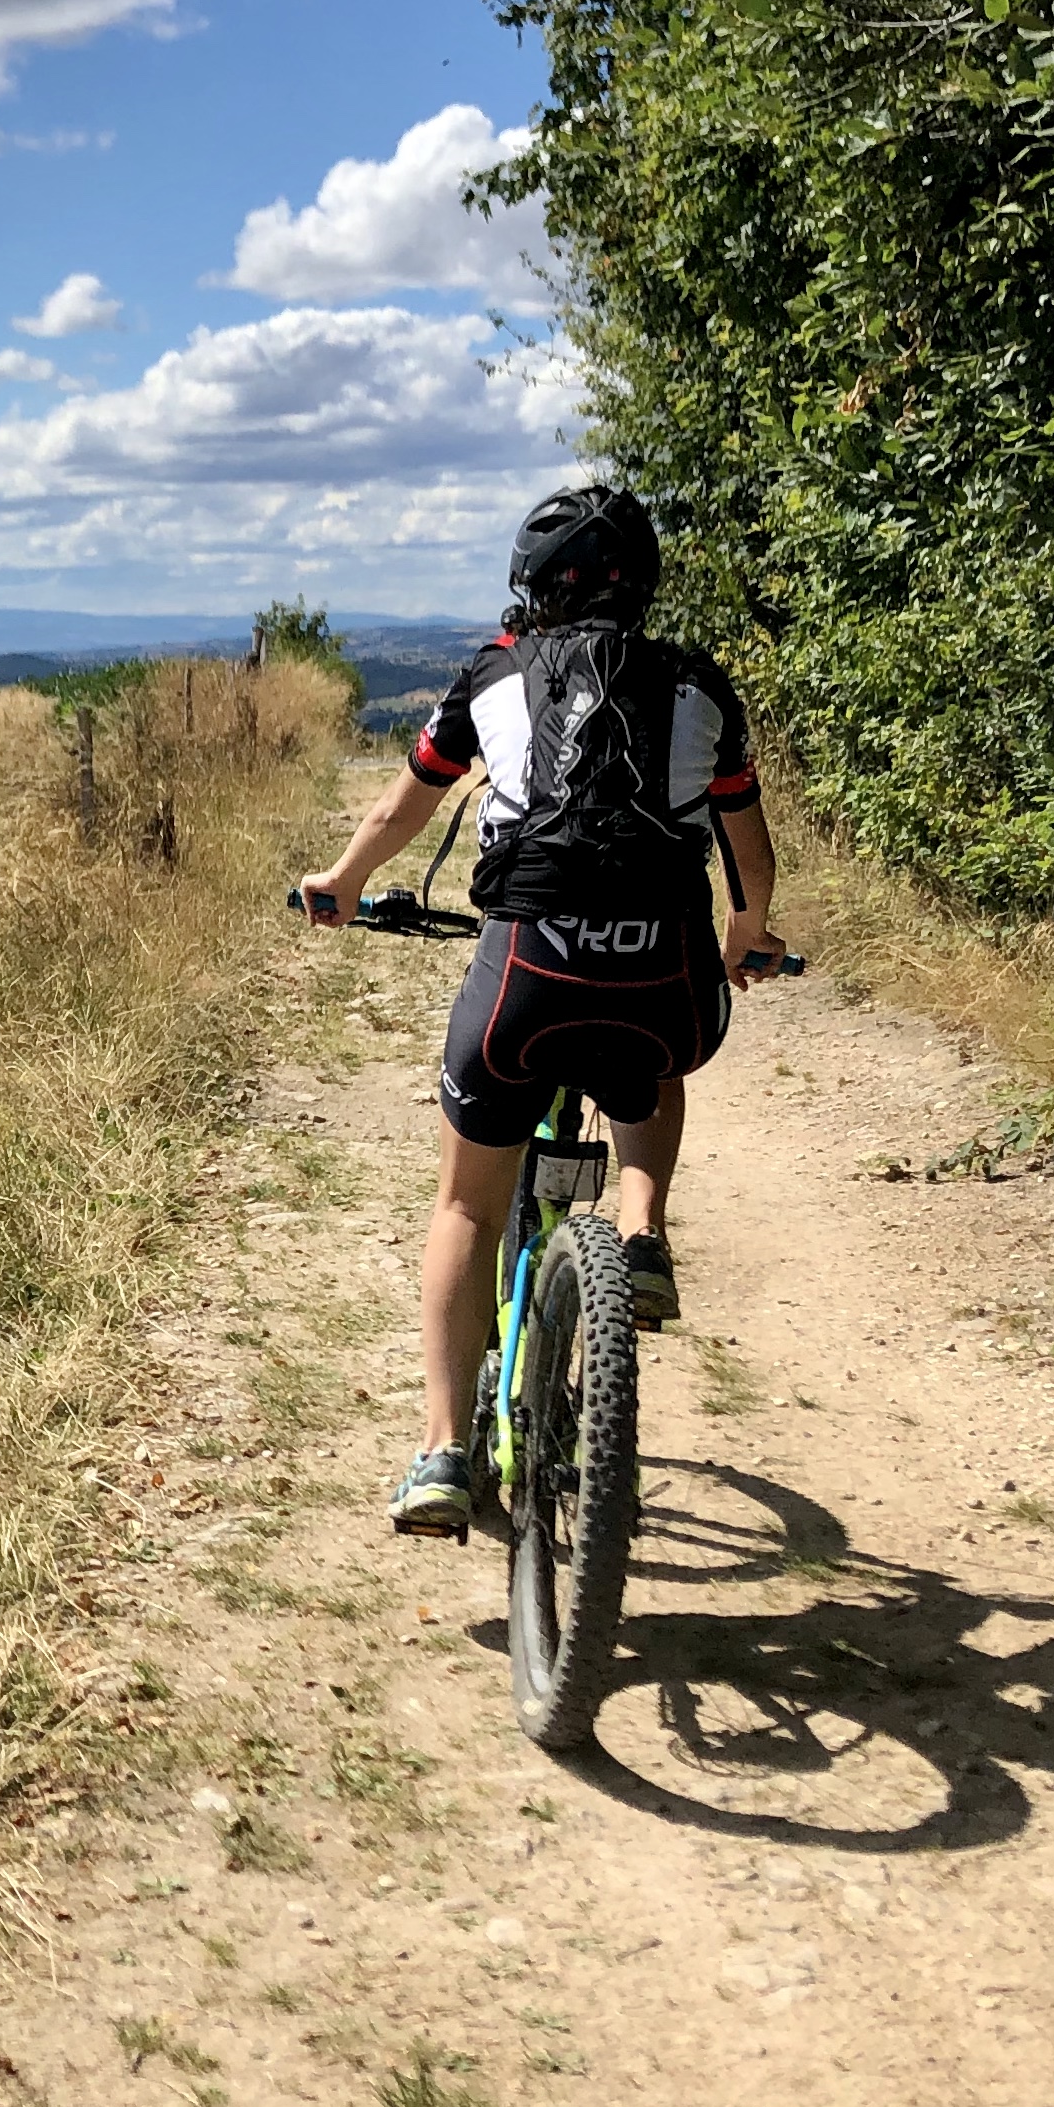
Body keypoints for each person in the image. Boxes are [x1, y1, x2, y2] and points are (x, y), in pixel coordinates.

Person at [293, 485, 787, 1536]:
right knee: (654, 1055)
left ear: (530, 583)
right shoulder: (700, 684)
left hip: (527, 979)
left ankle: (442, 1451)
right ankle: (642, 1233)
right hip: (664, 984)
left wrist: (342, 881)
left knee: (468, 1208)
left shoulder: (493, 673)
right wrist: (748, 932)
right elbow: (746, 844)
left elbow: (402, 803)